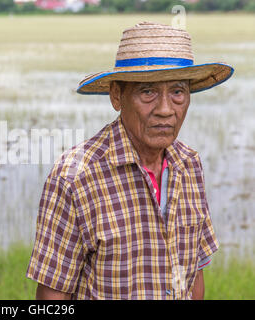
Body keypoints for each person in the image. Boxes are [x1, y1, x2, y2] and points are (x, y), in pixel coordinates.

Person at [26, 22, 233, 300]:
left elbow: (193, 274)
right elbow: (52, 295)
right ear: (117, 96)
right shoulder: (75, 178)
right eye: (147, 92)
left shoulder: (189, 165)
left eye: (177, 92)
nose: (165, 110)